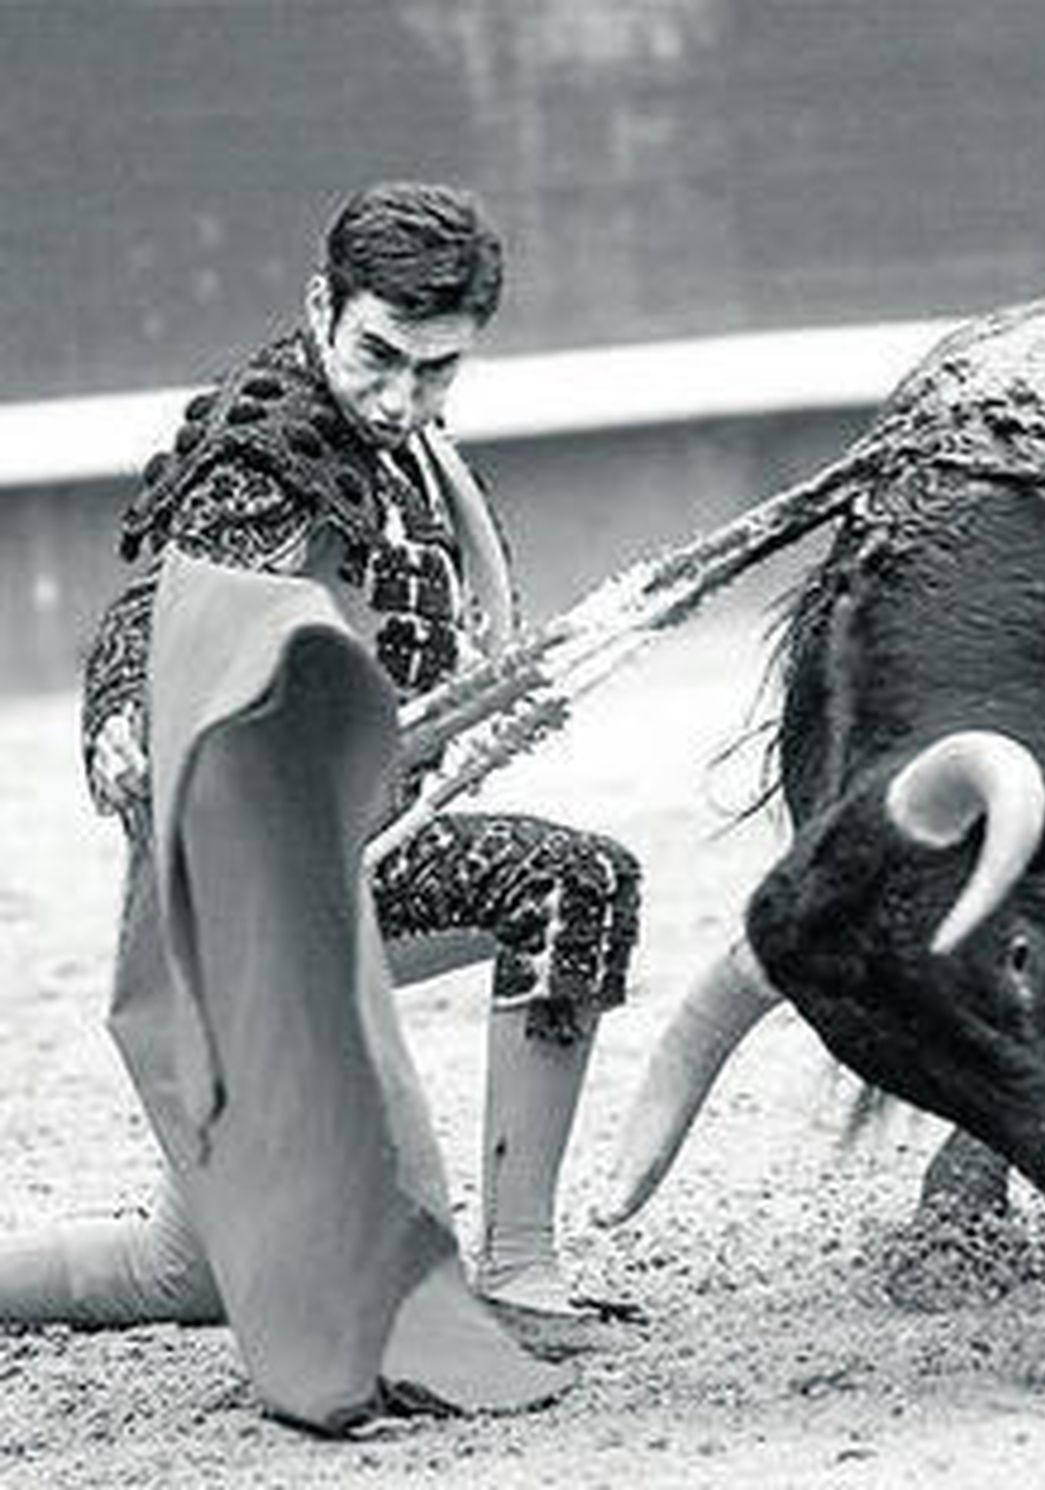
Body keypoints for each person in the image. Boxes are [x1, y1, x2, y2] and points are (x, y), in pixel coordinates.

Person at [0, 182, 642, 1427]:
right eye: (379, 356)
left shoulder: (403, 446)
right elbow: (164, 608)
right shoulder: (268, 449)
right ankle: (518, 1269)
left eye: (436, 367)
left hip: (344, 845)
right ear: (319, 306)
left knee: (183, 1268)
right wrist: (123, 711)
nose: (401, 395)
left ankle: (510, 1264)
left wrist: (481, 706)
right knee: (575, 885)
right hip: (275, 881)